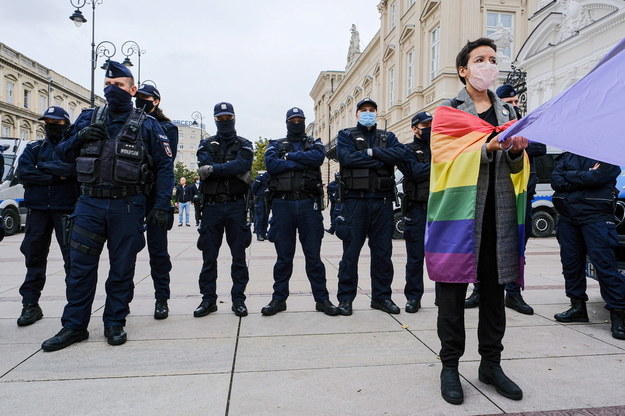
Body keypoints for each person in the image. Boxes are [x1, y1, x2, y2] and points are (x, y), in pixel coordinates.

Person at [41, 61, 174, 351]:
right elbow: (62, 152)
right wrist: (79, 137)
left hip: (128, 206)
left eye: (120, 86)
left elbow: (165, 167)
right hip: (89, 204)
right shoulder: (88, 119)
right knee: (80, 269)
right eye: (108, 85)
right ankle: (74, 326)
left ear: (133, 89)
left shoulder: (149, 124)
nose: (113, 90)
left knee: (122, 269)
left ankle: (115, 322)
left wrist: (162, 204)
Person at [428, 38, 528, 405]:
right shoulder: (447, 112)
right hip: (459, 217)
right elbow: (443, 158)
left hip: (498, 214)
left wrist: (516, 153)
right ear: (464, 70)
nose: (488, 65)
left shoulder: (509, 114)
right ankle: (450, 366)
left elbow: (518, 167)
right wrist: (486, 148)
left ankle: (491, 364)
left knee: (494, 293)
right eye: (480, 59)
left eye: (493, 59)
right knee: (452, 295)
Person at [464, 84, 546, 315]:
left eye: (516, 102)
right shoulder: (489, 126)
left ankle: (513, 293)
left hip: (521, 195)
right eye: (509, 103)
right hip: (492, 193)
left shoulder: (526, 125)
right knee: (483, 246)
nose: (514, 107)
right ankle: (478, 291)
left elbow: (540, 147)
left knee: (516, 245)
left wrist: (516, 145)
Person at [261, 107, 338, 316]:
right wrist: (299, 161)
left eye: (300, 119)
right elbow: (271, 165)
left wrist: (289, 158)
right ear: (287, 122)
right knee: (283, 257)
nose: (296, 123)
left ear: (304, 121)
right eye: (292, 120)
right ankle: (279, 300)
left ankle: (322, 300)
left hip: (308, 205)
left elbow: (318, 158)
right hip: (282, 205)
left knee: (313, 257)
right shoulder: (275, 144)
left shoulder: (315, 143)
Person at [335, 98, 404, 316]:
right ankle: (345, 299)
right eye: (363, 110)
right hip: (355, 202)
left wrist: (369, 153)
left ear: (377, 113)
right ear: (356, 114)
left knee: (383, 253)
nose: (367, 113)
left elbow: (400, 154)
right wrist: (379, 159)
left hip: (382, 202)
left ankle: (382, 298)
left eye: (371, 110)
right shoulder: (345, 135)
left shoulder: (388, 136)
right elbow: (346, 158)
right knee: (350, 254)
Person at [16, 106, 79, 326]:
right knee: (34, 257)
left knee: (72, 261)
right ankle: (30, 305)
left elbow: (73, 171)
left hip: (66, 210)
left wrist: (42, 168)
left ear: (65, 123)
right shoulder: (34, 147)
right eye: (47, 121)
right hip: (38, 210)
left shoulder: (72, 149)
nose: (50, 125)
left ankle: (75, 308)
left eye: (56, 121)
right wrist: (55, 176)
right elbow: (24, 172)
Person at [551, 152, 625, 340]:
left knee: (605, 266)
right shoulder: (566, 156)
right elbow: (556, 181)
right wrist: (586, 176)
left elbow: (599, 176)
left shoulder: (607, 154)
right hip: (568, 217)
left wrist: (571, 175)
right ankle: (577, 308)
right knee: (571, 265)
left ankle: (618, 315)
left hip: (596, 218)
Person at [195, 102, 252, 318]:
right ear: (214, 119)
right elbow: (206, 162)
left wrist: (213, 170)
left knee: (238, 257)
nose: (224, 121)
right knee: (209, 257)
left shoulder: (244, 143)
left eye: (228, 117)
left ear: (234, 117)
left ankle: (238, 300)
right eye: (220, 118)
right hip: (212, 207)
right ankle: (208, 300)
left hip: (236, 205)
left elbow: (242, 166)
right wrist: (232, 170)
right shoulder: (206, 143)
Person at [135, 83, 178, 319]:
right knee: (126, 251)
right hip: (131, 194)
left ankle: (162, 298)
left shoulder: (166, 127)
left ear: (156, 101)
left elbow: (165, 165)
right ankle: (123, 299)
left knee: (158, 251)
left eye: (146, 97)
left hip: (154, 195)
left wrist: (163, 203)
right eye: (138, 96)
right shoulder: (128, 121)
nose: (141, 101)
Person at [397, 111, 432, 314]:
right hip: (416, 208)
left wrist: (427, 167)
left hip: (440, 208)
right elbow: (414, 172)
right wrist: (439, 166)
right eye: (425, 125)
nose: (429, 128)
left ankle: (442, 297)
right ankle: (413, 297)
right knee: (415, 258)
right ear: (414, 128)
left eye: (430, 125)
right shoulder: (407, 149)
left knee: (442, 256)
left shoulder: (440, 147)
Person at [251, 171, 269, 241]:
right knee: (260, 217)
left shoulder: (270, 177)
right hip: (260, 199)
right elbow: (254, 188)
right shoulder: (260, 177)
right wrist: (257, 195)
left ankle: (264, 233)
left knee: (266, 217)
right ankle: (259, 234)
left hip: (267, 200)